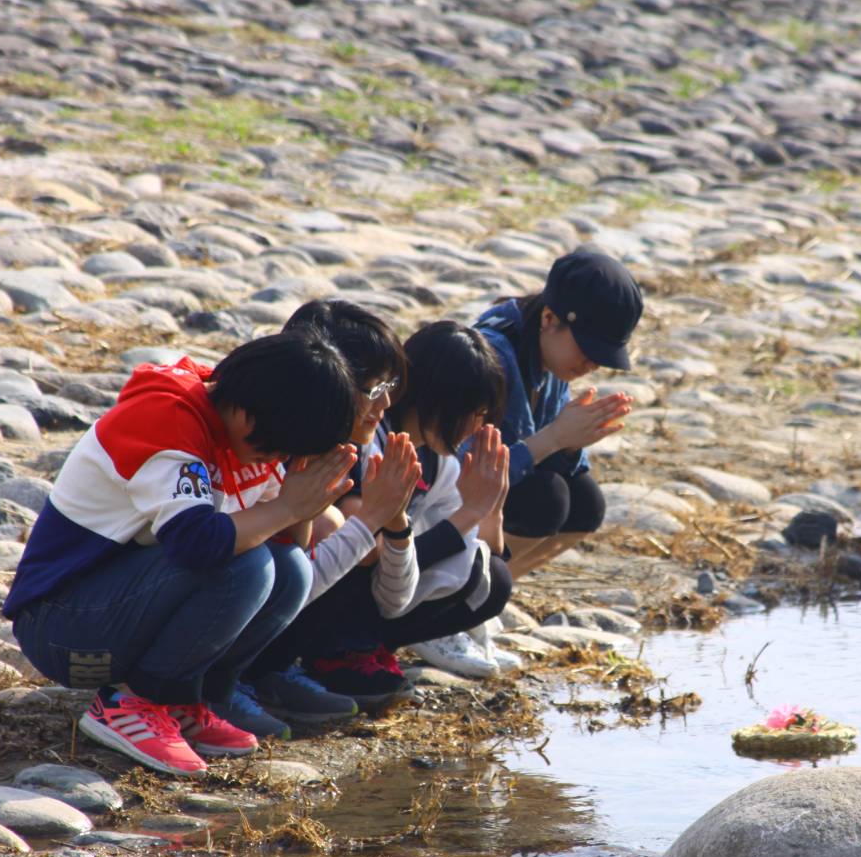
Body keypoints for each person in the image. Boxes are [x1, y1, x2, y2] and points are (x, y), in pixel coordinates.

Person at [3, 331, 358, 777]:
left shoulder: (244, 425)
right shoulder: (166, 419)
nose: (279, 458)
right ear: (249, 416)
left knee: (290, 571)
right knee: (245, 567)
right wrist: (288, 505)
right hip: (63, 628)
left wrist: (303, 499)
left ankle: (181, 700)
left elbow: (290, 541)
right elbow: (198, 543)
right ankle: (128, 704)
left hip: (118, 606)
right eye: (281, 450)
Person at [251, 320, 514, 703]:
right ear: (435, 397)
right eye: (472, 412)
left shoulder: (440, 460)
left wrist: (491, 508)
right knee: (356, 539)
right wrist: (465, 513)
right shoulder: (369, 438)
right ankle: (333, 651)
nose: (478, 426)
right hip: (328, 587)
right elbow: (367, 548)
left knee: (493, 577)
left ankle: (367, 643)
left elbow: (486, 550)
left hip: (388, 587)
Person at [229, 298, 423, 734]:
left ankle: (269, 669)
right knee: (328, 531)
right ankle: (225, 683)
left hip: (272, 604)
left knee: (337, 528)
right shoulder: (274, 445)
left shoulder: (356, 444)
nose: (387, 403)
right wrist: (368, 519)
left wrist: (395, 521)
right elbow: (284, 583)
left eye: (390, 386)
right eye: (374, 389)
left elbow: (396, 604)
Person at [475, 248, 643, 578]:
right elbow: (463, 472)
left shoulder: (547, 353)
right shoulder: (490, 359)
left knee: (586, 503)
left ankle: (488, 593)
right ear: (549, 318)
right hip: (435, 506)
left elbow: (558, 462)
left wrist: (569, 445)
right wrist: (556, 437)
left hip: (487, 495)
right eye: (589, 349)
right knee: (545, 499)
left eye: (604, 356)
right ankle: (457, 593)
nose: (593, 364)